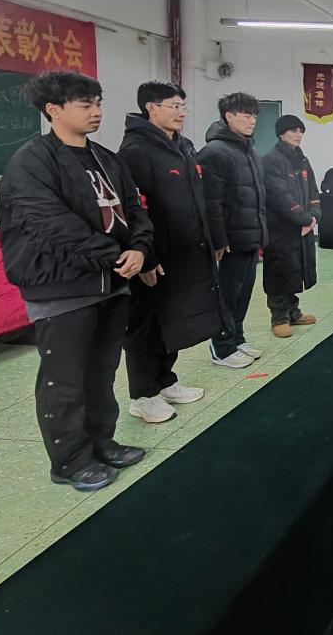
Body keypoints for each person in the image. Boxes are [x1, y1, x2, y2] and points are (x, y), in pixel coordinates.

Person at [0, 70, 152, 491]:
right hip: (63, 288)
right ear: (53, 110)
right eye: (85, 105)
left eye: (98, 103)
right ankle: (69, 460)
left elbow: (135, 209)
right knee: (64, 379)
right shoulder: (31, 162)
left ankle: (102, 442)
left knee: (101, 371)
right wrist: (114, 255)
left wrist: (141, 248)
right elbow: (50, 225)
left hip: (111, 282)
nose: (96, 111)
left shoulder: (106, 158)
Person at [118, 82, 224, 423]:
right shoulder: (136, 151)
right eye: (173, 106)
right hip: (154, 256)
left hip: (184, 252)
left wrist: (211, 239)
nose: (180, 112)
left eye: (182, 106)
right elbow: (135, 210)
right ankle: (143, 395)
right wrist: (146, 257)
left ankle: (165, 382)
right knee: (147, 325)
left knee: (174, 318)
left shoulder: (182, 146)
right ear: (151, 108)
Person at [198, 92, 267, 368]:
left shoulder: (249, 151)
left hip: (249, 236)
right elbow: (210, 202)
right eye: (246, 115)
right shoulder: (214, 152)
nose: (252, 121)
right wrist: (218, 239)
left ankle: (237, 338)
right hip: (229, 240)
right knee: (226, 295)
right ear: (228, 116)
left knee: (243, 293)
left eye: (254, 115)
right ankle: (222, 347)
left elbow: (256, 197)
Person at [262, 114, 321, 338]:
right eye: (293, 131)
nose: (298, 135)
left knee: (296, 270)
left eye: (301, 130)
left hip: (302, 227)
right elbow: (279, 196)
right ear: (281, 134)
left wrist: (314, 216)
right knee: (280, 271)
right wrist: (304, 219)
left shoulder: (302, 159)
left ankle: (293, 312)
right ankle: (279, 317)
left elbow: (313, 191)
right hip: (281, 229)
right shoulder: (271, 160)